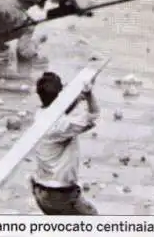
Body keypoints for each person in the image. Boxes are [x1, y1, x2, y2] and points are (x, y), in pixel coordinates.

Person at [31, 71, 100, 215]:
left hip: (41, 189)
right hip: (59, 194)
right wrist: (88, 95)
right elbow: (94, 115)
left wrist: (77, 98)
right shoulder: (62, 126)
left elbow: (60, 110)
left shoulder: (40, 115)